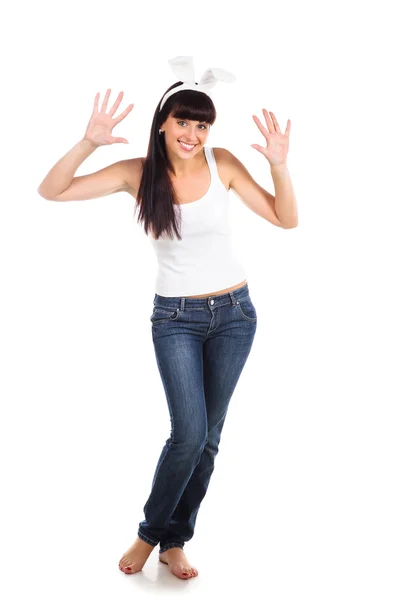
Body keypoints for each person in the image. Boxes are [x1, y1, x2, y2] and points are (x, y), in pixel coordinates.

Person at [37, 56, 297, 581]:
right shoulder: (137, 174)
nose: (193, 134)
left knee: (209, 438)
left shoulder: (221, 162)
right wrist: (88, 141)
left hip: (235, 315)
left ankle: (174, 540)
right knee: (189, 432)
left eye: (202, 125)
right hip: (175, 318)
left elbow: (285, 219)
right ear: (163, 122)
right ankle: (150, 532)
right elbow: (53, 190)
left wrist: (278, 165)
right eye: (184, 121)